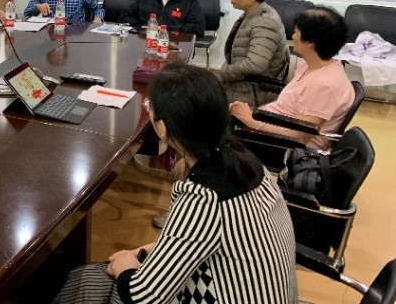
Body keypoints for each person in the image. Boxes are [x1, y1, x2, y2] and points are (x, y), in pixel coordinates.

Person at [51, 64, 297, 304]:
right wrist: (145, 252)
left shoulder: (203, 198)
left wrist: (125, 265)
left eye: (150, 107)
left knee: (89, 281)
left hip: (221, 292)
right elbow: (201, 239)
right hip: (258, 291)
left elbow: (142, 296)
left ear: (162, 128)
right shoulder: (245, 161)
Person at [230, 6, 355, 151]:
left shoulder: (323, 85)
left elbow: (298, 137)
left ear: (309, 42)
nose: (293, 36)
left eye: (296, 32)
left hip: (280, 146)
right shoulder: (315, 66)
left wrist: (249, 120)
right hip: (268, 123)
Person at [220, 0, 290, 105]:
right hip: (244, 84)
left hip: (254, 94)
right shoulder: (254, 13)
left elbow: (255, 64)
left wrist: (226, 72)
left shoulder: (265, 23)